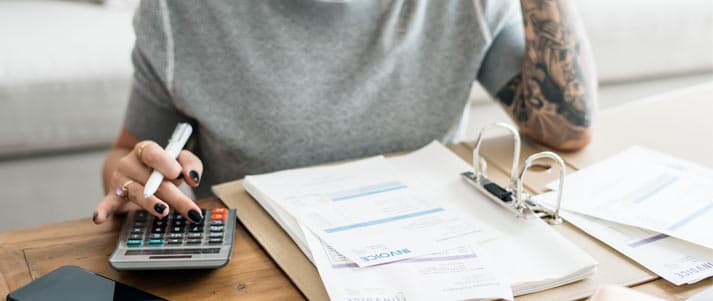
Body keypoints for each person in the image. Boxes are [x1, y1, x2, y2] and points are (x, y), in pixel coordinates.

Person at [93, 0, 597, 224]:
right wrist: (132, 181)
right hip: (259, 270)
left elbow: (566, 125)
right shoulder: (178, 11)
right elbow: (129, 152)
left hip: (433, 256)